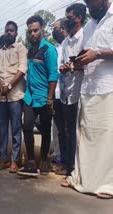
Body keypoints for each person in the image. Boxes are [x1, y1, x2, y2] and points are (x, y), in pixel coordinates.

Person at [64, 0, 113, 199]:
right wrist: (76, 63)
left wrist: (98, 53)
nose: (90, 7)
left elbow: (97, 53)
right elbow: (86, 56)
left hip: (108, 87)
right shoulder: (90, 26)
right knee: (87, 136)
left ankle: (107, 184)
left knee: (106, 138)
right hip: (88, 88)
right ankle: (85, 179)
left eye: (92, 3)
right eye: (87, 3)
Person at [17, 15, 58, 177]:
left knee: (45, 130)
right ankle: (31, 163)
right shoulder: (29, 50)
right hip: (30, 96)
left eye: (35, 30)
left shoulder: (49, 49)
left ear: (42, 29)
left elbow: (53, 75)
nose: (32, 34)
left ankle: (43, 161)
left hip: (44, 97)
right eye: (30, 31)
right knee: (27, 127)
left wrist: (49, 98)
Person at [0, 21, 28, 173]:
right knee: (3, 129)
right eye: (7, 30)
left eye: (11, 31)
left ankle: (15, 160)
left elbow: (22, 69)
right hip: (1, 97)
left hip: (15, 96)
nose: (9, 33)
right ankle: (3, 159)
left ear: (16, 33)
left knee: (16, 128)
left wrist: (9, 86)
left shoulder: (20, 48)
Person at [55, 4, 86, 176]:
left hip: (80, 92)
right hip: (66, 93)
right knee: (66, 131)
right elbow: (62, 63)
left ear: (79, 18)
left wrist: (73, 66)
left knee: (77, 131)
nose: (67, 21)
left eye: (70, 17)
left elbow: (88, 62)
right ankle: (68, 165)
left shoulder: (85, 37)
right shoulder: (66, 42)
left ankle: (76, 167)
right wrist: (65, 67)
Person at [50, 18, 68, 170]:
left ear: (63, 29)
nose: (53, 31)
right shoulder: (55, 49)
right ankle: (59, 157)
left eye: (55, 28)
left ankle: (67, 160)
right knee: (58, 130)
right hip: (56, 95)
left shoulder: (70, 44)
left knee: (67, 130)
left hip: (70, 95)